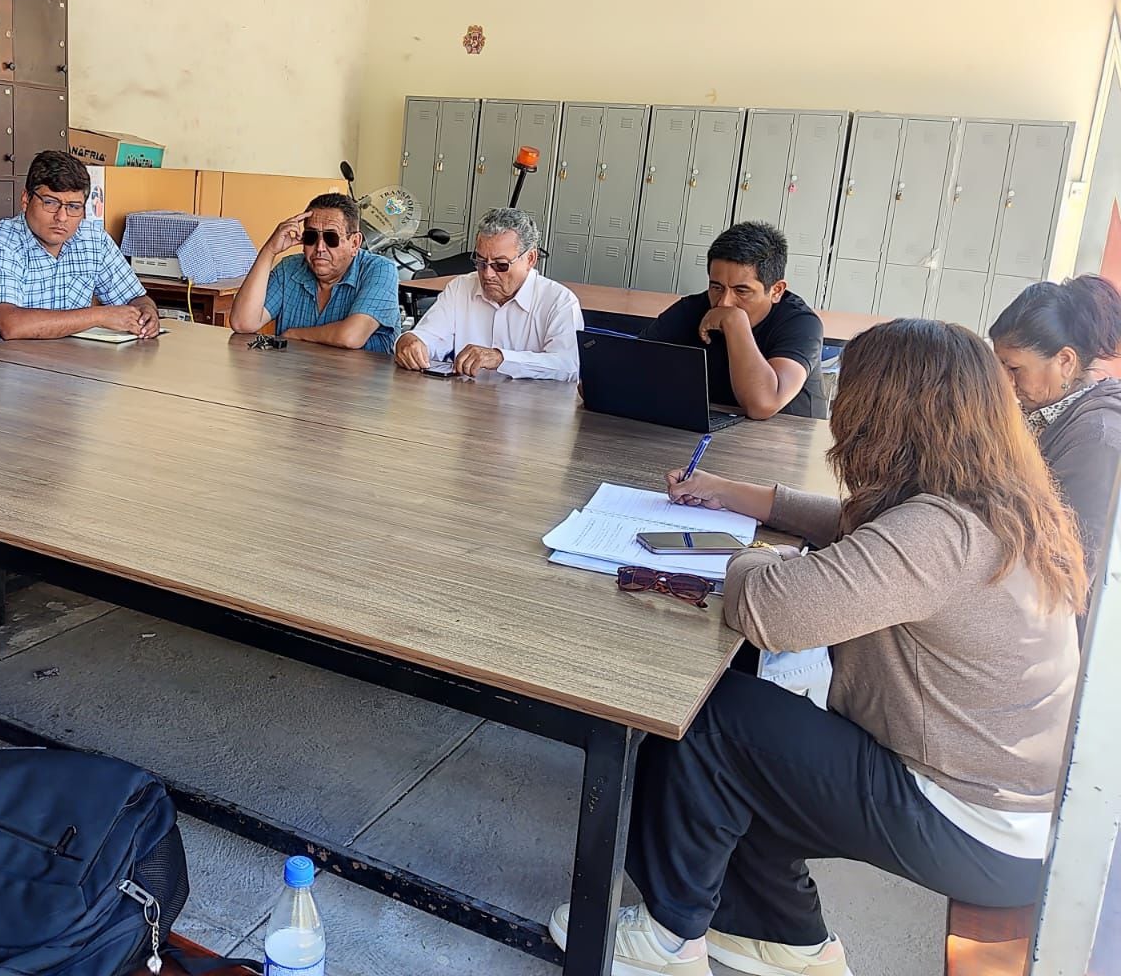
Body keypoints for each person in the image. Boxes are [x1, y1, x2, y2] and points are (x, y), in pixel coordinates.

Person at [549, 319, 1086, 976]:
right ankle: (779, 935)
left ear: (886, 411)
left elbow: (771, 608)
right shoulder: (990, 499)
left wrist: (748, 555)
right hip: (1006, 815)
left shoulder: (944, 532)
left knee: (711, 717)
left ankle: (668, 940)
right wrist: (743, 496)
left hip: (969, 822)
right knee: (762, 726)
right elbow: (861, 529)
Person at [990, 274, 1121, 600]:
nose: (1006, 382)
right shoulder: (1045, 413)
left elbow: (1074, 571)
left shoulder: (1097, 440)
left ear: (1065, 361)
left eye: (1015, 369)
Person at [0, 150, 161, 343]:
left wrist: (147, 313)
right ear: (26, 200)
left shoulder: (92, 238)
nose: (62, 217)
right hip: (1, 368)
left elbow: (136, 298)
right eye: (50, 203)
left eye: (73, 207)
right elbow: (11, 325)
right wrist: (100, 316)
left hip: (68, 363)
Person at [638, 221, 827, 419]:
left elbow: (763, 405)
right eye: (716, 287)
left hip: (787, 438)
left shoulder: (800, 323)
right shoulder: (692, 309)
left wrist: (735, 323)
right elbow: (632, 365)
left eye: (741, 290)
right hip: (712, 428)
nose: (724, 302)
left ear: (776, 291)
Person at [393, 207, 582, 379]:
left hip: (531, 409)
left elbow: (568, 365)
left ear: (530, 258)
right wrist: (411, 341)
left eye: (501, 265)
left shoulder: (559, 301)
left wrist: (502, 358)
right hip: (466, 405)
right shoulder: (461, 288)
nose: (488, 274)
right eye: (481, 262)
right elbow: (431, 336)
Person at [228, 192, 399, 353]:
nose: (320, 248)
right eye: (311, 237)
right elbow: (243, 323)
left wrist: (295, 334)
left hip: (359, 382)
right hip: (295, 379)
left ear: (354, 243)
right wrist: (269, 251)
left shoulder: (380, 270)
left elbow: (351, 336)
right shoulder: (290, 268)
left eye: (331, 238)